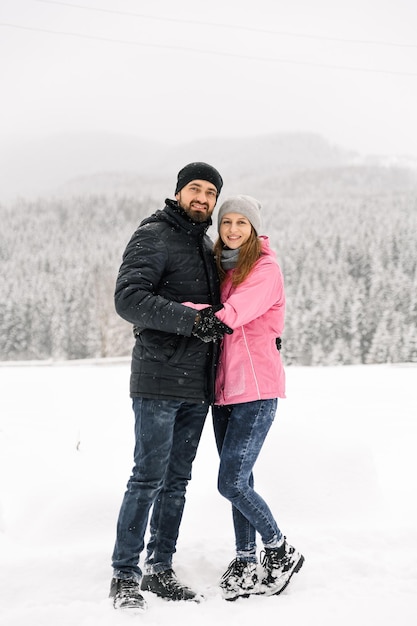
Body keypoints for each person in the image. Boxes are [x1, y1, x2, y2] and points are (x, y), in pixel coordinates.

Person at [109, 162, 232, 612]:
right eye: (195, 189)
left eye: (210, 192)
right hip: (159, 379)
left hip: (196, 385)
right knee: (147, 478)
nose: (202, 198)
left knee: (177, 482)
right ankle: (124, 574)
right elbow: (129, 298)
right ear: (179, 191)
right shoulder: (154, 234)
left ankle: (160, 568)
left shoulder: (204, 243)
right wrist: (192, 320)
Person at [184, 195, 304, 601]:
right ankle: (245, 558)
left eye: (241, 223)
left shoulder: (264, 268)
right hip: (225, 392)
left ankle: (279, 548)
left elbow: (235, 311)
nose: (233, 229)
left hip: (255, 390)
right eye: (226, 222)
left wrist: (201, 321)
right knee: (242, 480)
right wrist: (170, 311)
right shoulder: (228, 270)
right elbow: (213, 304)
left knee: (231, 481)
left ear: (254, 228)